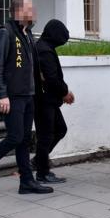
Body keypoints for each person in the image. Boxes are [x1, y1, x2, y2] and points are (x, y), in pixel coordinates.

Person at [0, 0, 53, 196]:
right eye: (29, 8)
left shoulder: (27, 33)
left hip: (28, 95)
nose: (34, 11)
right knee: (15, 137)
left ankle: (27, 182)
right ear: (18, 12)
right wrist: (2, 94)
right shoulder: (5, 33)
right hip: (13, 96)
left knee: (24, 140)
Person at [32, 19, 74, 184]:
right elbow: (51, 78)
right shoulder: (44, 50)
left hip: (47, 99)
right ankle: (42, 173)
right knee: (46, 136)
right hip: (44, 100)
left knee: (59, 129)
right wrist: (65, 92)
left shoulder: (45, 47)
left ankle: (39, 161)